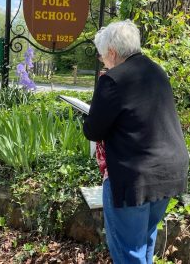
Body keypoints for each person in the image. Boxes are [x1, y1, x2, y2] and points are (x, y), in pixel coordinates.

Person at [83, 20, 189, 264]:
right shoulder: (157, 71)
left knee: (128, 252)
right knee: (144, 242)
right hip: (169, 171)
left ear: (111, 52)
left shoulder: (112, 79)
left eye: (102, 57)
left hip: (135, 177)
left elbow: (94, 130)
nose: (103, 62)